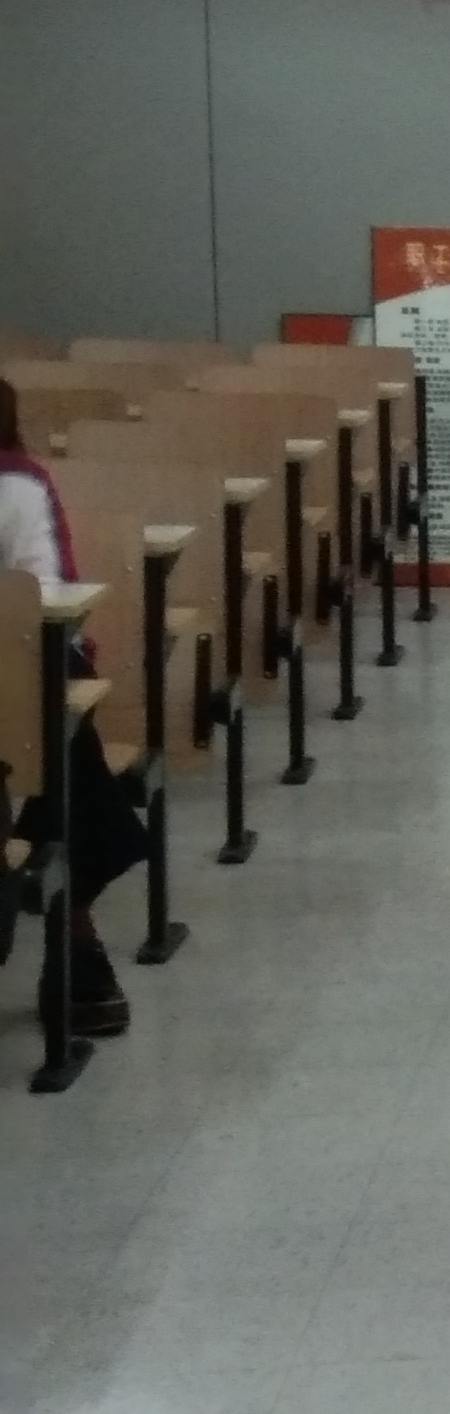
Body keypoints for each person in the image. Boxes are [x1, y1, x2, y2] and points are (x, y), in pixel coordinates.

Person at [0, 376, 155, 1038]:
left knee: (51, 706)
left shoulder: (16, 488)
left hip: (11, 668)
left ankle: (69, 917)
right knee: (61, 732)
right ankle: (74, 928)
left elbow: (41, 602)